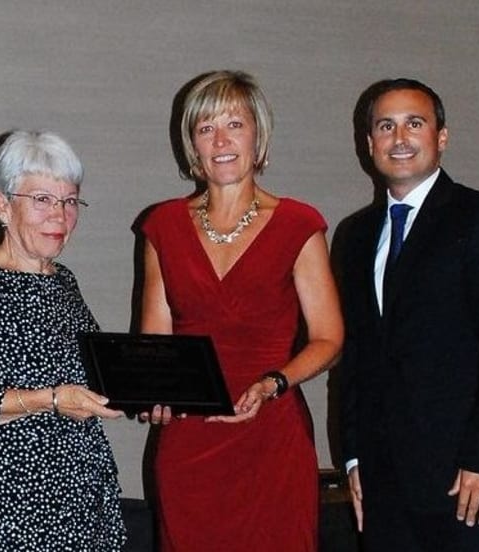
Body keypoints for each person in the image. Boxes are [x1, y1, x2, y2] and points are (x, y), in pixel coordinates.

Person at [333, 78, 479, 551]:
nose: (399, 138)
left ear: (442, 137)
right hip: (385, 485)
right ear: (369, 143)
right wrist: (354, 457)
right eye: (386, 126)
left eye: (415, 123)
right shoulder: (354, 237)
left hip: (470, 481)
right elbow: (355, 355)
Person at [140, 70, 344, 551]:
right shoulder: (162, 225)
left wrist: (274, 383)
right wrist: (152, 392)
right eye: (206, 128)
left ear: (258, 135)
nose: (221, 140)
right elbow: (154, 345)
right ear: (192, 144)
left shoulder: (298, 224)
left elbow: (330, 339)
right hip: (189, 445)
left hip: (271, 435)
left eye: (235, 124)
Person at [0, 130, 126, 551]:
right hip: (13, 498)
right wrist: (51, 400)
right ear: (2, 205)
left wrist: (151, 394)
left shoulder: (64, 282)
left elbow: (100, 371)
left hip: (82, 491)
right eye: (42, 199)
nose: (60, 216)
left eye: (70, 201)